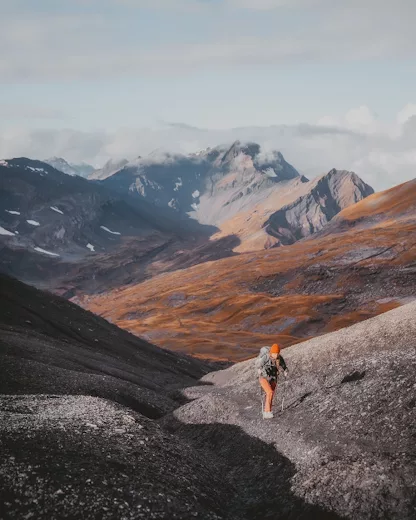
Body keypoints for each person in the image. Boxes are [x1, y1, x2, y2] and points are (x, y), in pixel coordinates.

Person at [255, 343, 288, 419]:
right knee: (269, 392)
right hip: (263, 377)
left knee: (271, 394)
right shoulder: (266, 357)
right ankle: (267, 412)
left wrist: (285, 371)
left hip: (273, 377)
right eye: (274, 353)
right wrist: (259, 370)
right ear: (271, 352)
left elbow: (284, 366)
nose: (275, 355)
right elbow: (259, 365)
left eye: (277, 353)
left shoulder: (279, 358)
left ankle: (268, 411)